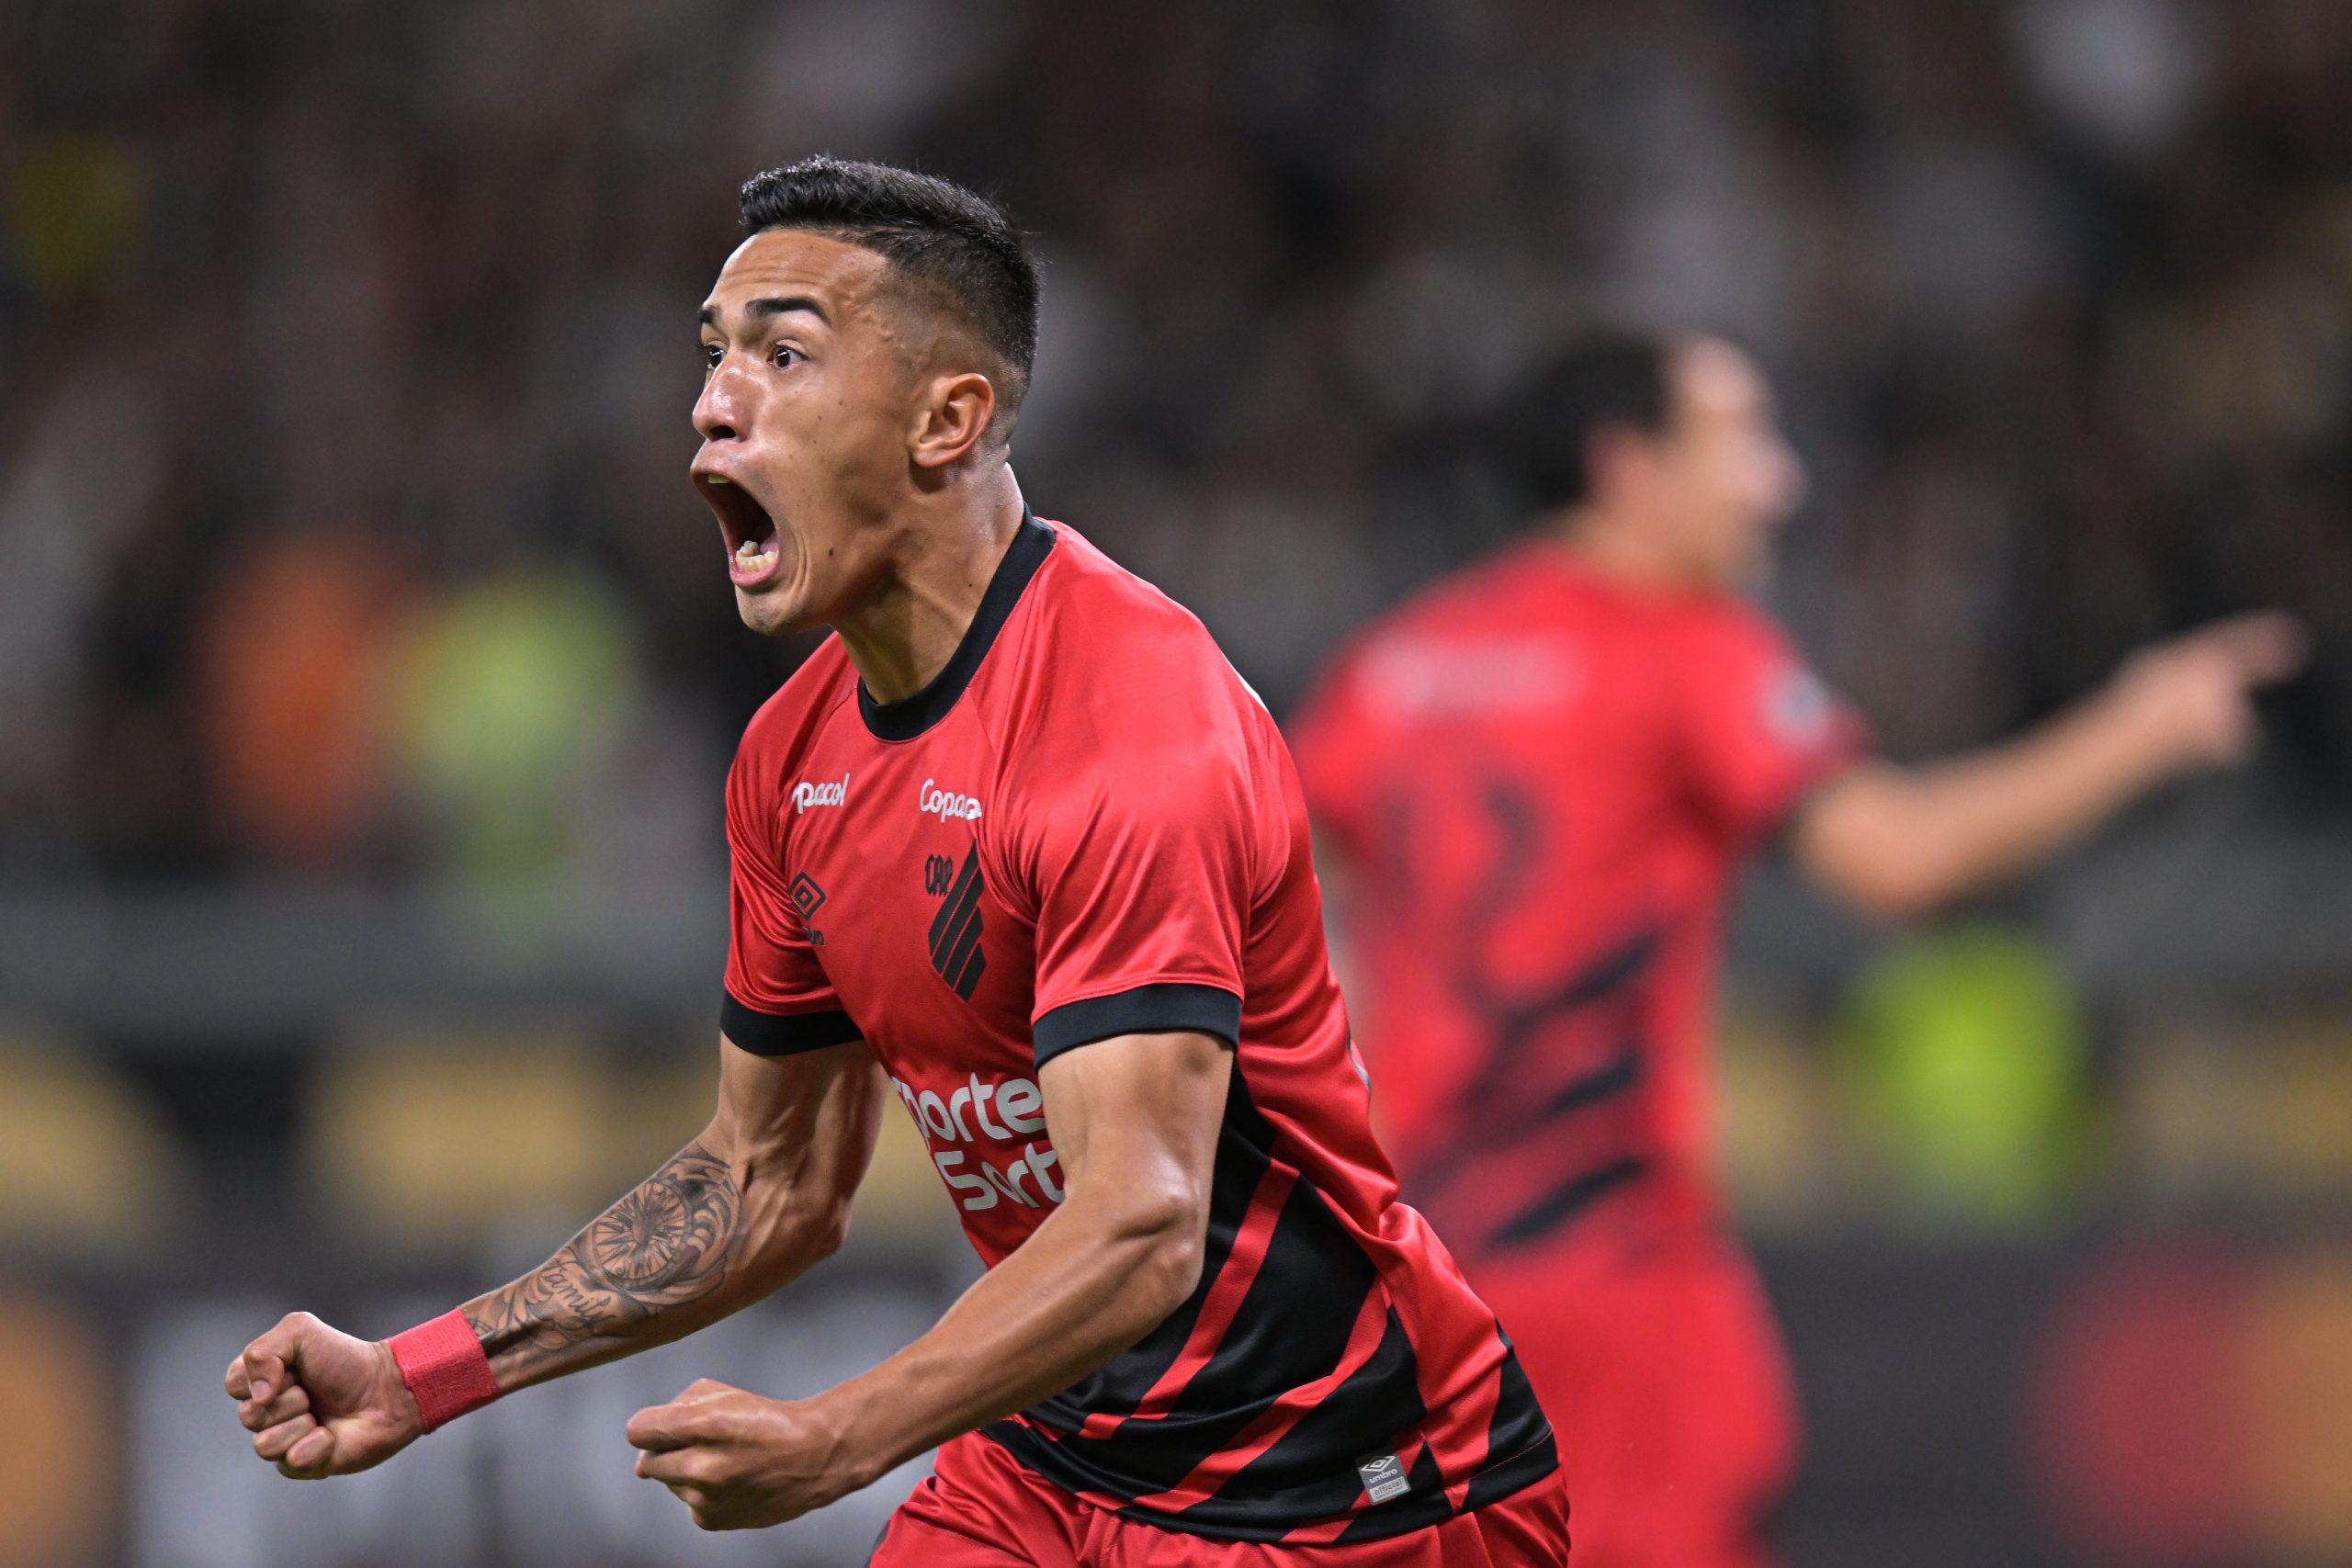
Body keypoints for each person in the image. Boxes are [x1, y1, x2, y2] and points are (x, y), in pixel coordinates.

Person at [224, 157, 1567, 1566]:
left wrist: (843, 1435)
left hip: (1352, 1493)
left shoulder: (1128, 725)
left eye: (783, 354)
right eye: (714, 356)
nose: (711, 404)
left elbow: (1144, 1218)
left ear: (949, 418)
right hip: (1056, 1465)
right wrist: (418, 1373)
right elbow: (769, 1182)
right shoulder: (790, 763)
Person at [1285, 330, 2305, 1568]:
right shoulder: (1683, 650)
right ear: (1629, 467)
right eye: (1742, 440)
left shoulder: (1393, 670)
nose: (1780, 481)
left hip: (1420, 1281)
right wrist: (2140, 729)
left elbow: (1264, 904)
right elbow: (1900, 857)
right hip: (1617, 1273)